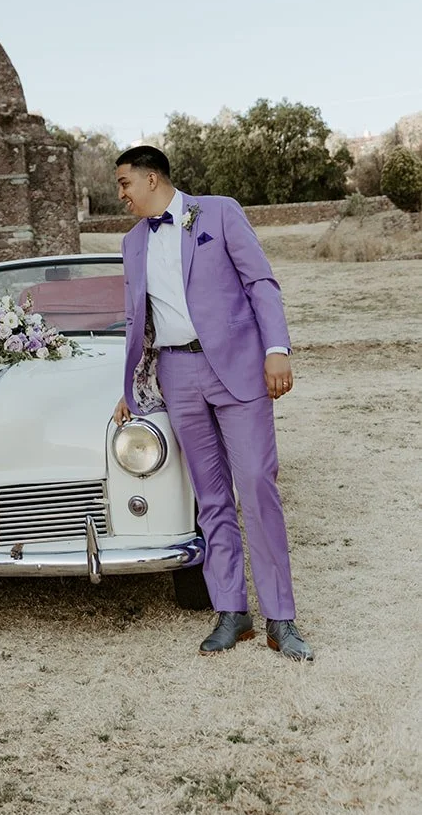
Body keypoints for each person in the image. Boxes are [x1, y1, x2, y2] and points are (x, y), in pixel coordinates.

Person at [112, 147, 313, 661]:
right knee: (210, 496)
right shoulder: (131, 242)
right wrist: (130, 389)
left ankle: (281, 620)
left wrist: (276, 350)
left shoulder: (219, 212)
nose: (121, 195)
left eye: (124, 184)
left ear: (151, 177)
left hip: (241, 369)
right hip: (176, 375)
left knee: (256, 487)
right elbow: (141, 323)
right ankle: (231, 612)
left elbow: (260, 282)